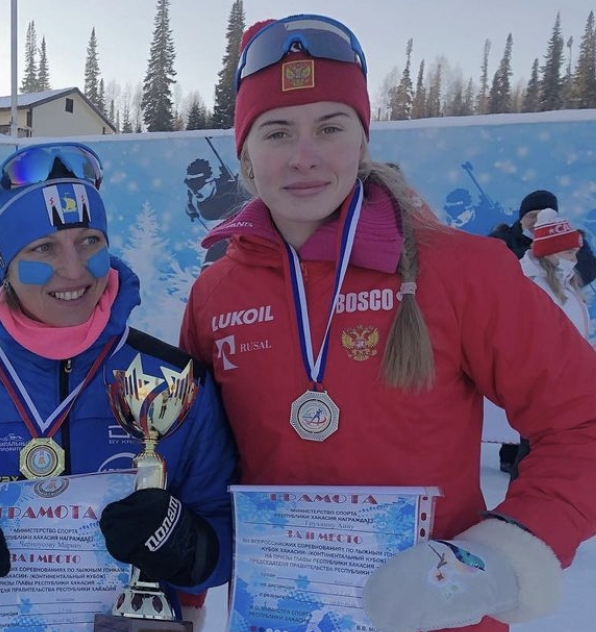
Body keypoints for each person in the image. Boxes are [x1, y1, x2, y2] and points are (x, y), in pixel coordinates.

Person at [179, 14, 596, 632]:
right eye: (277, 131)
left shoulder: (458, 269)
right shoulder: (215, 294)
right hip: (280, 614)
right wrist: (180, 596)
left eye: (330, 127)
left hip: (436, 620)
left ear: (362, 140)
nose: (304, 157)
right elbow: (195, 462)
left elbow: (582, 420)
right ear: (245, 154)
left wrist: (500, 556)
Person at [0, 141, 237, 632]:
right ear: (4, 262)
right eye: (43, 248)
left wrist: (185, 545)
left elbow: (229, 536)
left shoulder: (175, 380)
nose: (74, 269)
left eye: (89, 241)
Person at [488, 190, 596, 474]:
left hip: (565, 374)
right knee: (533, 445)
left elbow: (586, 267)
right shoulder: (526, 272)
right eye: (531, 216)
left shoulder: (566, 277)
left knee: (546, 447)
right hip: (542, 375)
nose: (536, 222)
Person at [488, 189, 596, 286]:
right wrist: (539, 251)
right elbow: (494, 268)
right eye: (532, 216)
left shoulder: (571, 239)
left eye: (545, 215)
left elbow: (588, 271)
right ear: (521, 219)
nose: (538, 221)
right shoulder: (499, 239)